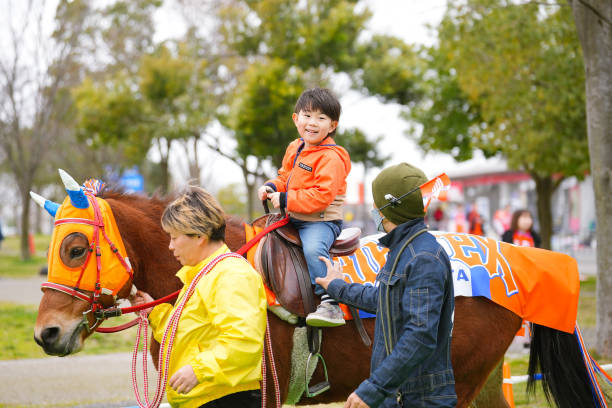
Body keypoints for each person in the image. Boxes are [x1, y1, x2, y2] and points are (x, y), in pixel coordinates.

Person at [317, 163, 456, 408]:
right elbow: (384, 299)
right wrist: (337, 286)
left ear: (391, 208)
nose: (373, 208)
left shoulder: (422, 258)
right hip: (398, 395)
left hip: (418, 399)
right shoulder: (403, 250)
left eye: (376, 203)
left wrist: (374, 388)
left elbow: (420, 336)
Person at [130, 187, 267, 408]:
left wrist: (198, 370)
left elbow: (243, 341)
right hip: (208, 397)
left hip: (225, 400)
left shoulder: (231, 275)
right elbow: (186, 335)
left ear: (200, 236)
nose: (171, 246)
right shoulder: (202, 276)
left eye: (175, 237)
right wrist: (154, 311)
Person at [257, 87, 351, 327]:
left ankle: (331, 302)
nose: (312, 123)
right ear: (295, 118)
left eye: (321, 118)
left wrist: (286, 199)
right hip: (294, 216)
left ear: (332, 126)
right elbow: (285, 176)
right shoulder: (295, 147)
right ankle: (282, 299)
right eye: (307, 115)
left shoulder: (331, 158)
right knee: (264, 244)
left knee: (312, 250)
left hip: (320, 221)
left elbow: (322, 196)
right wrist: (271, 187)